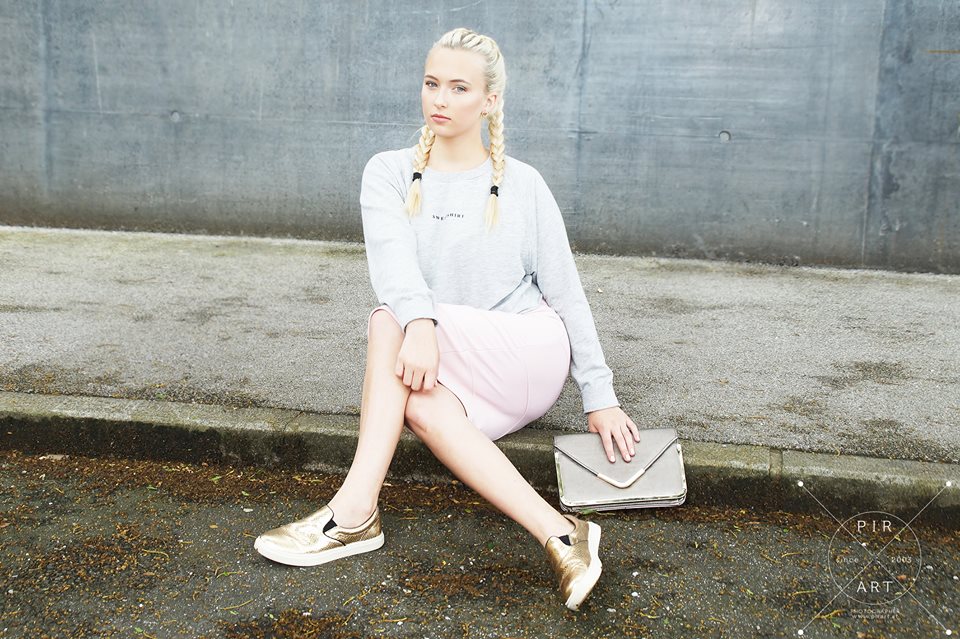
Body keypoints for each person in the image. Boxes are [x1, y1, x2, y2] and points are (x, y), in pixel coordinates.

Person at [254, 26, 641, 611]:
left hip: (526, 352)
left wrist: (600, 395)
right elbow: (393, 266)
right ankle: (563, 535)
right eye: (431, 83)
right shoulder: (388, 172)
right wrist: (424, 324)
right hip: (450, 362)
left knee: (388, 322)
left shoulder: (523, 183)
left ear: (489, 100)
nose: (440, 99)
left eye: (460, 88)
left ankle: (353, 513)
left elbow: (567, 293)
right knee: (417, 401)